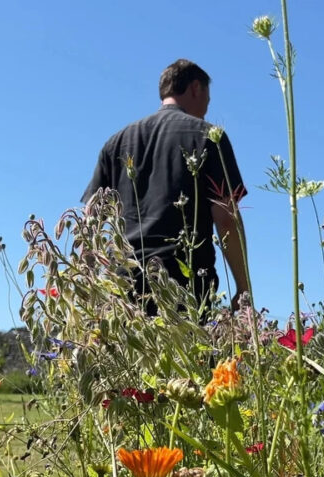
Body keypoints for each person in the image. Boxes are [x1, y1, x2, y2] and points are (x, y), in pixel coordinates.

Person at [81, 59, 251, 315]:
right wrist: (243, 285)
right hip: (185, 281)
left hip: (124, 283)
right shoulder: (209, 136)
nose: (206, 108)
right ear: (196, 88)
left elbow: (91, 222)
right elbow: (226, 219)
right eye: (207, 98)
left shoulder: (115, 143)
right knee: (186, 354)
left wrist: (88, 286)